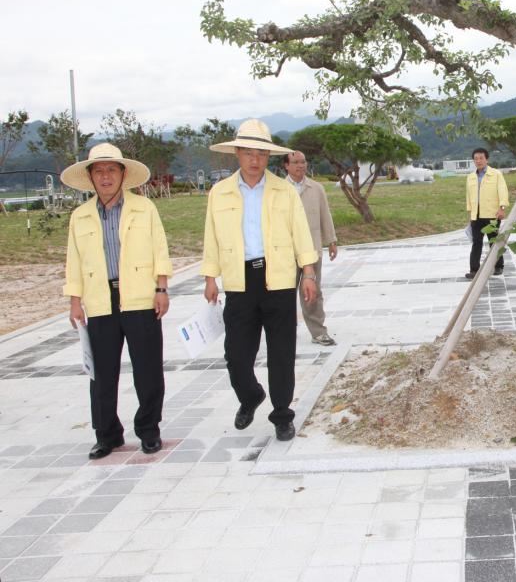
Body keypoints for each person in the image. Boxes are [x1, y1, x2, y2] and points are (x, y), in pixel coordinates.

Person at [201, 119, 318, 441]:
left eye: (261, 154)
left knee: (282, 352)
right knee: (236, 354)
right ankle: (250, 395)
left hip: (278, 279)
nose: (255, 160)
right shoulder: (220, 193)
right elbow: (211, 237)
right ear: (237, 153)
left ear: (268, 157)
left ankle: (282, 414)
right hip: (239, 281)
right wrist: (210, 276)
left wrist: (308, 273)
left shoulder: (284, 191)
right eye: (248, 153)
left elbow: (301, 233)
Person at [62, 143, 172, 460]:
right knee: (102, 375)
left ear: (123, 174)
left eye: (112, 169)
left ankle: (149, 431)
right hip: (100, 300)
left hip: (139, 297)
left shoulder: (143, 208)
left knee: (148, 370)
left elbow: (159, 249)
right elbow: (74, 261)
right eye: (99, 170)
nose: (106, 176)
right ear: (90, 176)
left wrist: (161, 288)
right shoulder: (80, 216)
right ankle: (106, 435)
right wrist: (74, 300)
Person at [283, 150, 339, 347]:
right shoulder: (279, 190)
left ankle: (318, 332)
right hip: (285, 253)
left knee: (313, 293)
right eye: (296, 162)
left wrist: (331, 240)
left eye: (303, 162)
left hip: (312, 249)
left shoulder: (316, 188)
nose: (301, 166)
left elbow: (326, 215)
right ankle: (283, 332)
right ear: (286, 166)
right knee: (282, 294)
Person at [465, 147, 509, 279]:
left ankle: (498, 266)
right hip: (476, 215)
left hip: (492, 214)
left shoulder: (496, 174)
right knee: (476, 242)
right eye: (476, 159)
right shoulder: (470, 177)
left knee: (494, 241)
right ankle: (474, 270)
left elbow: (503, 191)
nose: (478, 161)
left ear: (486, 159)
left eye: (481, 158)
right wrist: (470, 215)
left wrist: (502, 208)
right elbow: (469, 197)